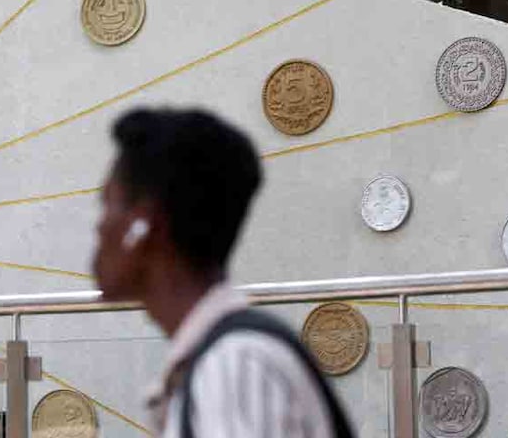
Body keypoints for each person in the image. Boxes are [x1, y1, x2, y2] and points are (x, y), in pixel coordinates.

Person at [92, 108, 354, 438]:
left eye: (108, 205)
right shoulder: (222, 360)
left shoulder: (235, 366)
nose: (99, 227)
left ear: (145, 227)